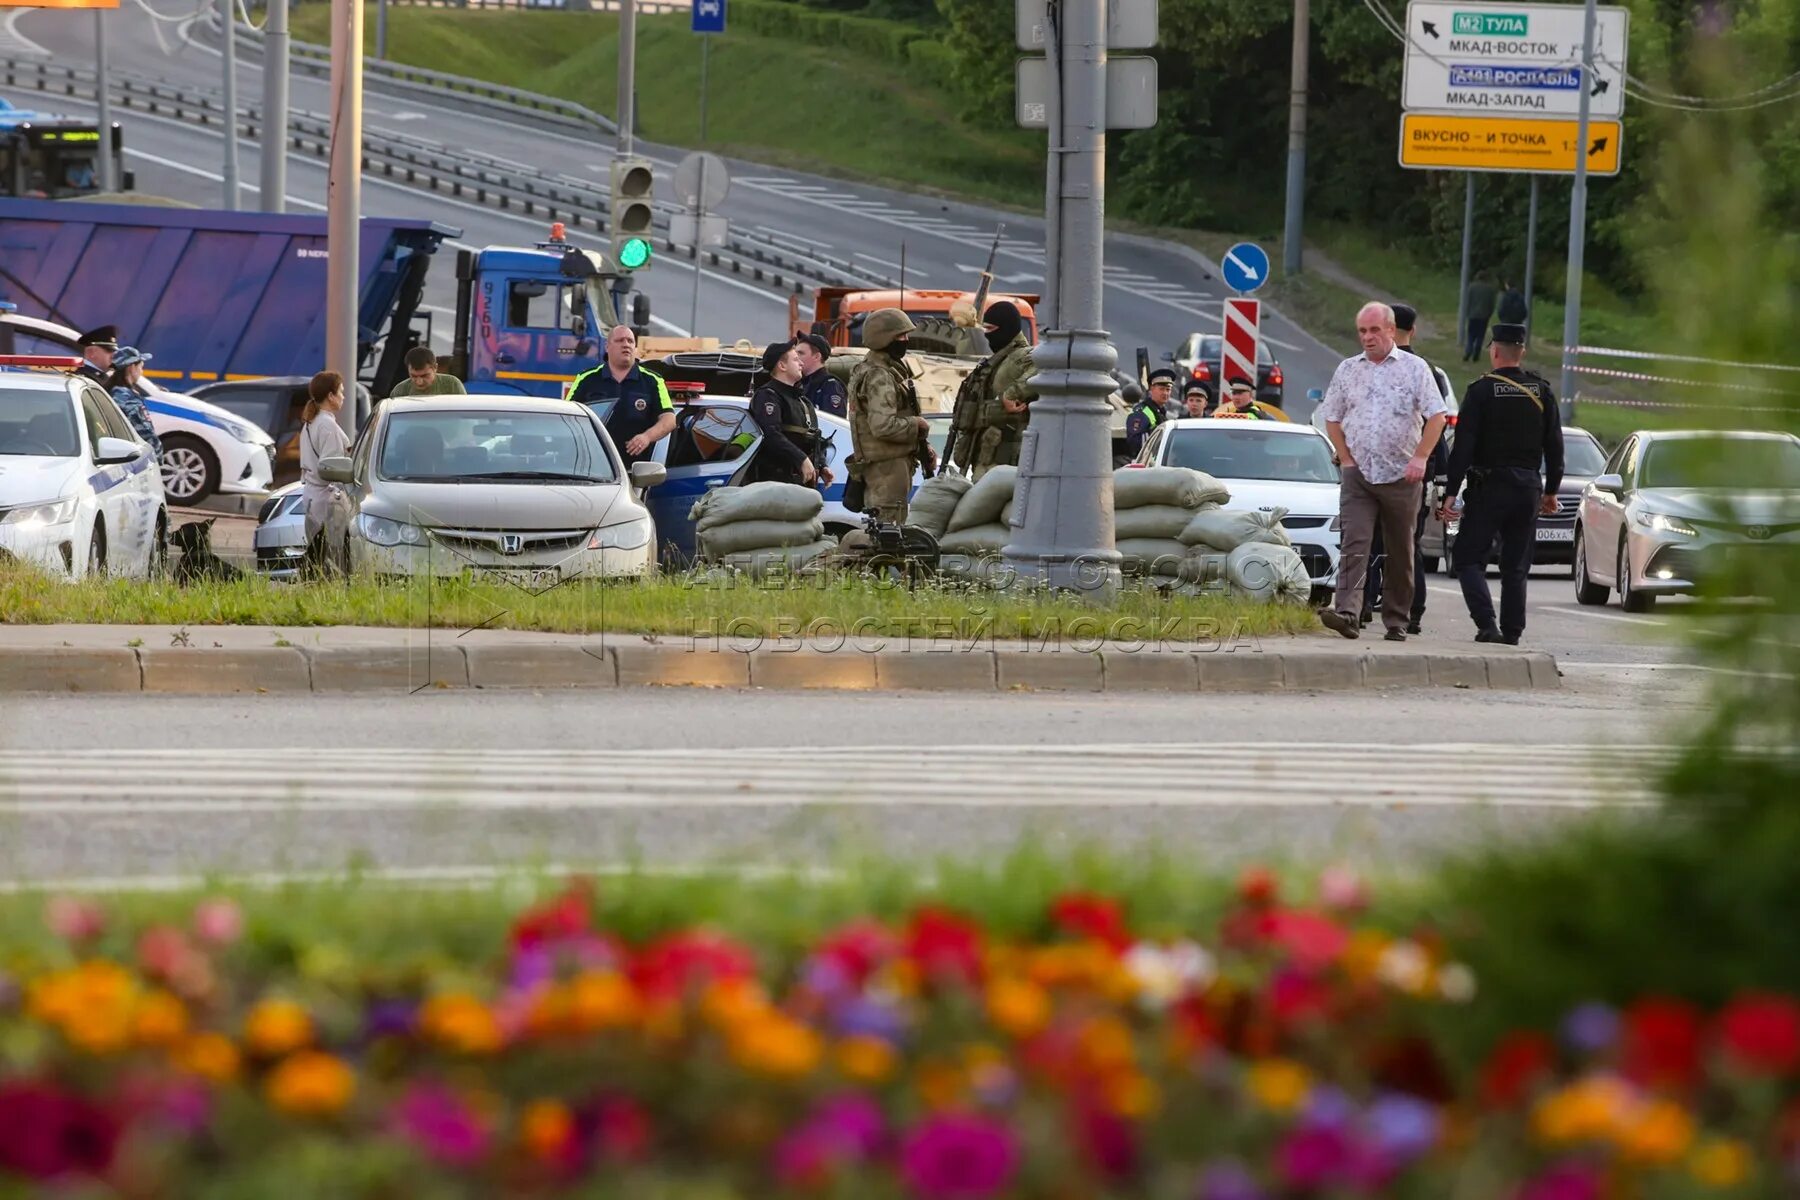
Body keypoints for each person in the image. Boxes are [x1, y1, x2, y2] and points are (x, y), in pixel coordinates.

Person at [1315, 301, 1449, 642]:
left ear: (1391, 330)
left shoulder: (1416, 369)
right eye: (1362, 331)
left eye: (1375, 330)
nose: (1368, 337)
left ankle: (1396, 619)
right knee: (1354, 543)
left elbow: (1437, 417)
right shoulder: (1348, 369)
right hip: (1359, 473)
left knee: (1400, 549)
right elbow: (1331, 417)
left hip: (1402, 476)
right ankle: (1347, 612)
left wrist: (1420, 457)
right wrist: (1344, 458)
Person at [1440, 323, 1563, 645]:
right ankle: (1512, 632)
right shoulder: (1541, 390)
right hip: (1527, 489)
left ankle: (1486, 625)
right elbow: (1555, 445)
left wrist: (1451, 492)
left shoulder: (1481, 391)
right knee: (1515, 565)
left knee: (1467, 557)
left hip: (1489, 488)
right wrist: (1550, 492)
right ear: (1521, 351)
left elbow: (1463, 446)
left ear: (1494, 350)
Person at [1362, 303, 1451, 633]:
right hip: (1414, 471)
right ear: (1412, 330)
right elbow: (1436, 423)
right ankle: (1412, 612)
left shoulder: (1370, 364)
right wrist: (1440, 476)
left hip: (1371, 468)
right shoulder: (1430, 371)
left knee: (1367, 540)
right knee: (1407, 544)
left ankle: (1362, 605)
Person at [847, 308, 932, 522]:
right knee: (889, 532)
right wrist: (916, 424)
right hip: (887, 470)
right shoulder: (879, 375)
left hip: (888, 467)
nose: (906, 340)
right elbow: (882, 425)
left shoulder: (876, 368)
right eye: (901, 336)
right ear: (884, 339)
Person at [568, 325, 676, 469]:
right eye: (620, 340)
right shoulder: (586, 379)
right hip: (593, 468)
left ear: (635, 347)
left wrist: (646, 437)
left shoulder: (653, 380)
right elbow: (567, 417)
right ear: (607, 347)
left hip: (636, 472)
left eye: (630, 341)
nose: (626, 344)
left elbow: (669, 420)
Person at [745, 339, 832, 489]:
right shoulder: (768, 396)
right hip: (773, 485)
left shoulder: (804, 401)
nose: (801, 364)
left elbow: (814, 439)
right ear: (782, 365)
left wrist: (822, 465)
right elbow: (770, 434)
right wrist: (801, 459)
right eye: (796, 359)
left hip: (801, 486)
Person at [971, 301, 1037, 479]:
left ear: (1006, 328)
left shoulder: (1025, 356)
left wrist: (1011, 394)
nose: (986, 335)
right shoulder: (997, 360)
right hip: (987, 451)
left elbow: (1040, 369)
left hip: (1008, 453)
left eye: (990, 328)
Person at [298, 371, 352, 578]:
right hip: (325, 499)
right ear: (331, 396)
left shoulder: (312, 422)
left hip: (312, 495)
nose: (343, 397)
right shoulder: (327, 424)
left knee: (317, 555)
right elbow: (330, 466)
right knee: (329, 555)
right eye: (341, 392)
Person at [103, 347, 162, 456]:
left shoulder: (107, 391)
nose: (141, 371)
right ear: (132, 367)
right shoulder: (128, 398)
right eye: (141, 367)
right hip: (131, 456)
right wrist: (157, 455)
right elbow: (145, 433)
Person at [793, 332, 846, 419]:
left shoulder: (830, 385)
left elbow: (832, 423)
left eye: (801, 353)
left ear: (817, 357)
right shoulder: (799, 383)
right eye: (795, 354)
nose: (796, 357)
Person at [387, 346, 467, 399]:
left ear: (435, 368)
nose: (419, 382)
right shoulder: (400, 391)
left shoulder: (452, 385)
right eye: (413, 376)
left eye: (424, 375)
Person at [1123, 378, 1165, 459]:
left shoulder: (1160, 412)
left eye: (1168, 389)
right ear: (1151, 390)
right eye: (1161, 389)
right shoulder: (1141, 412)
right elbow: (1136, 443)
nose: (1165, 393)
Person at [1463, 271, 1497, 362]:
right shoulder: (1490, 289)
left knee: (1471, 335)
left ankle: (1468, 351)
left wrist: (1467, 312)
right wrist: (1489, 313)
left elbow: (1468, 301)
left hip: (1473, 314)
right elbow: (1491, 304)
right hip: (1484, 315)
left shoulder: (1472, 287)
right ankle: (1476, 354)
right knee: (1480, 335)